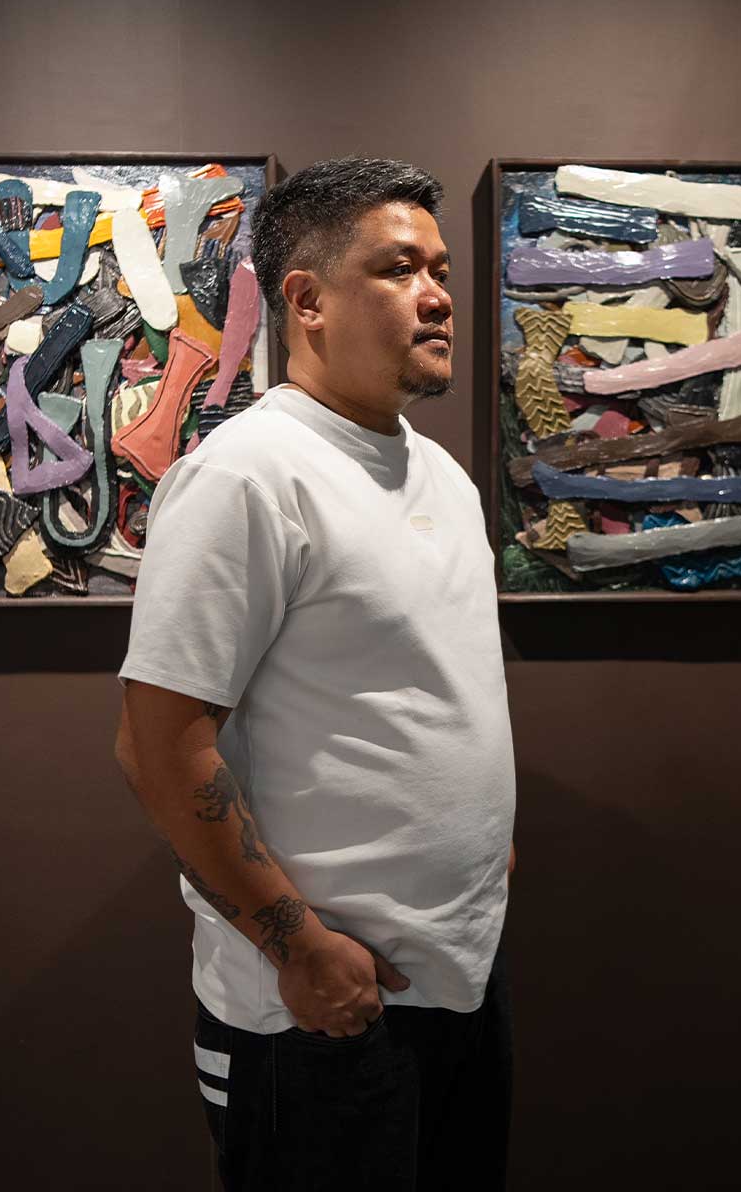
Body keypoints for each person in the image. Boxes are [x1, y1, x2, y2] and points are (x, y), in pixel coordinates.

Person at [114, 156, 516, 1191]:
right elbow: (158, 748)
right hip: (316, 1017)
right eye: (399, 268)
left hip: (457, 987)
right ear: (305, 300)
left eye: (439, 269)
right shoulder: (246, 476)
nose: (438, 294)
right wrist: (297, 949)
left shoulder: (441, 475)